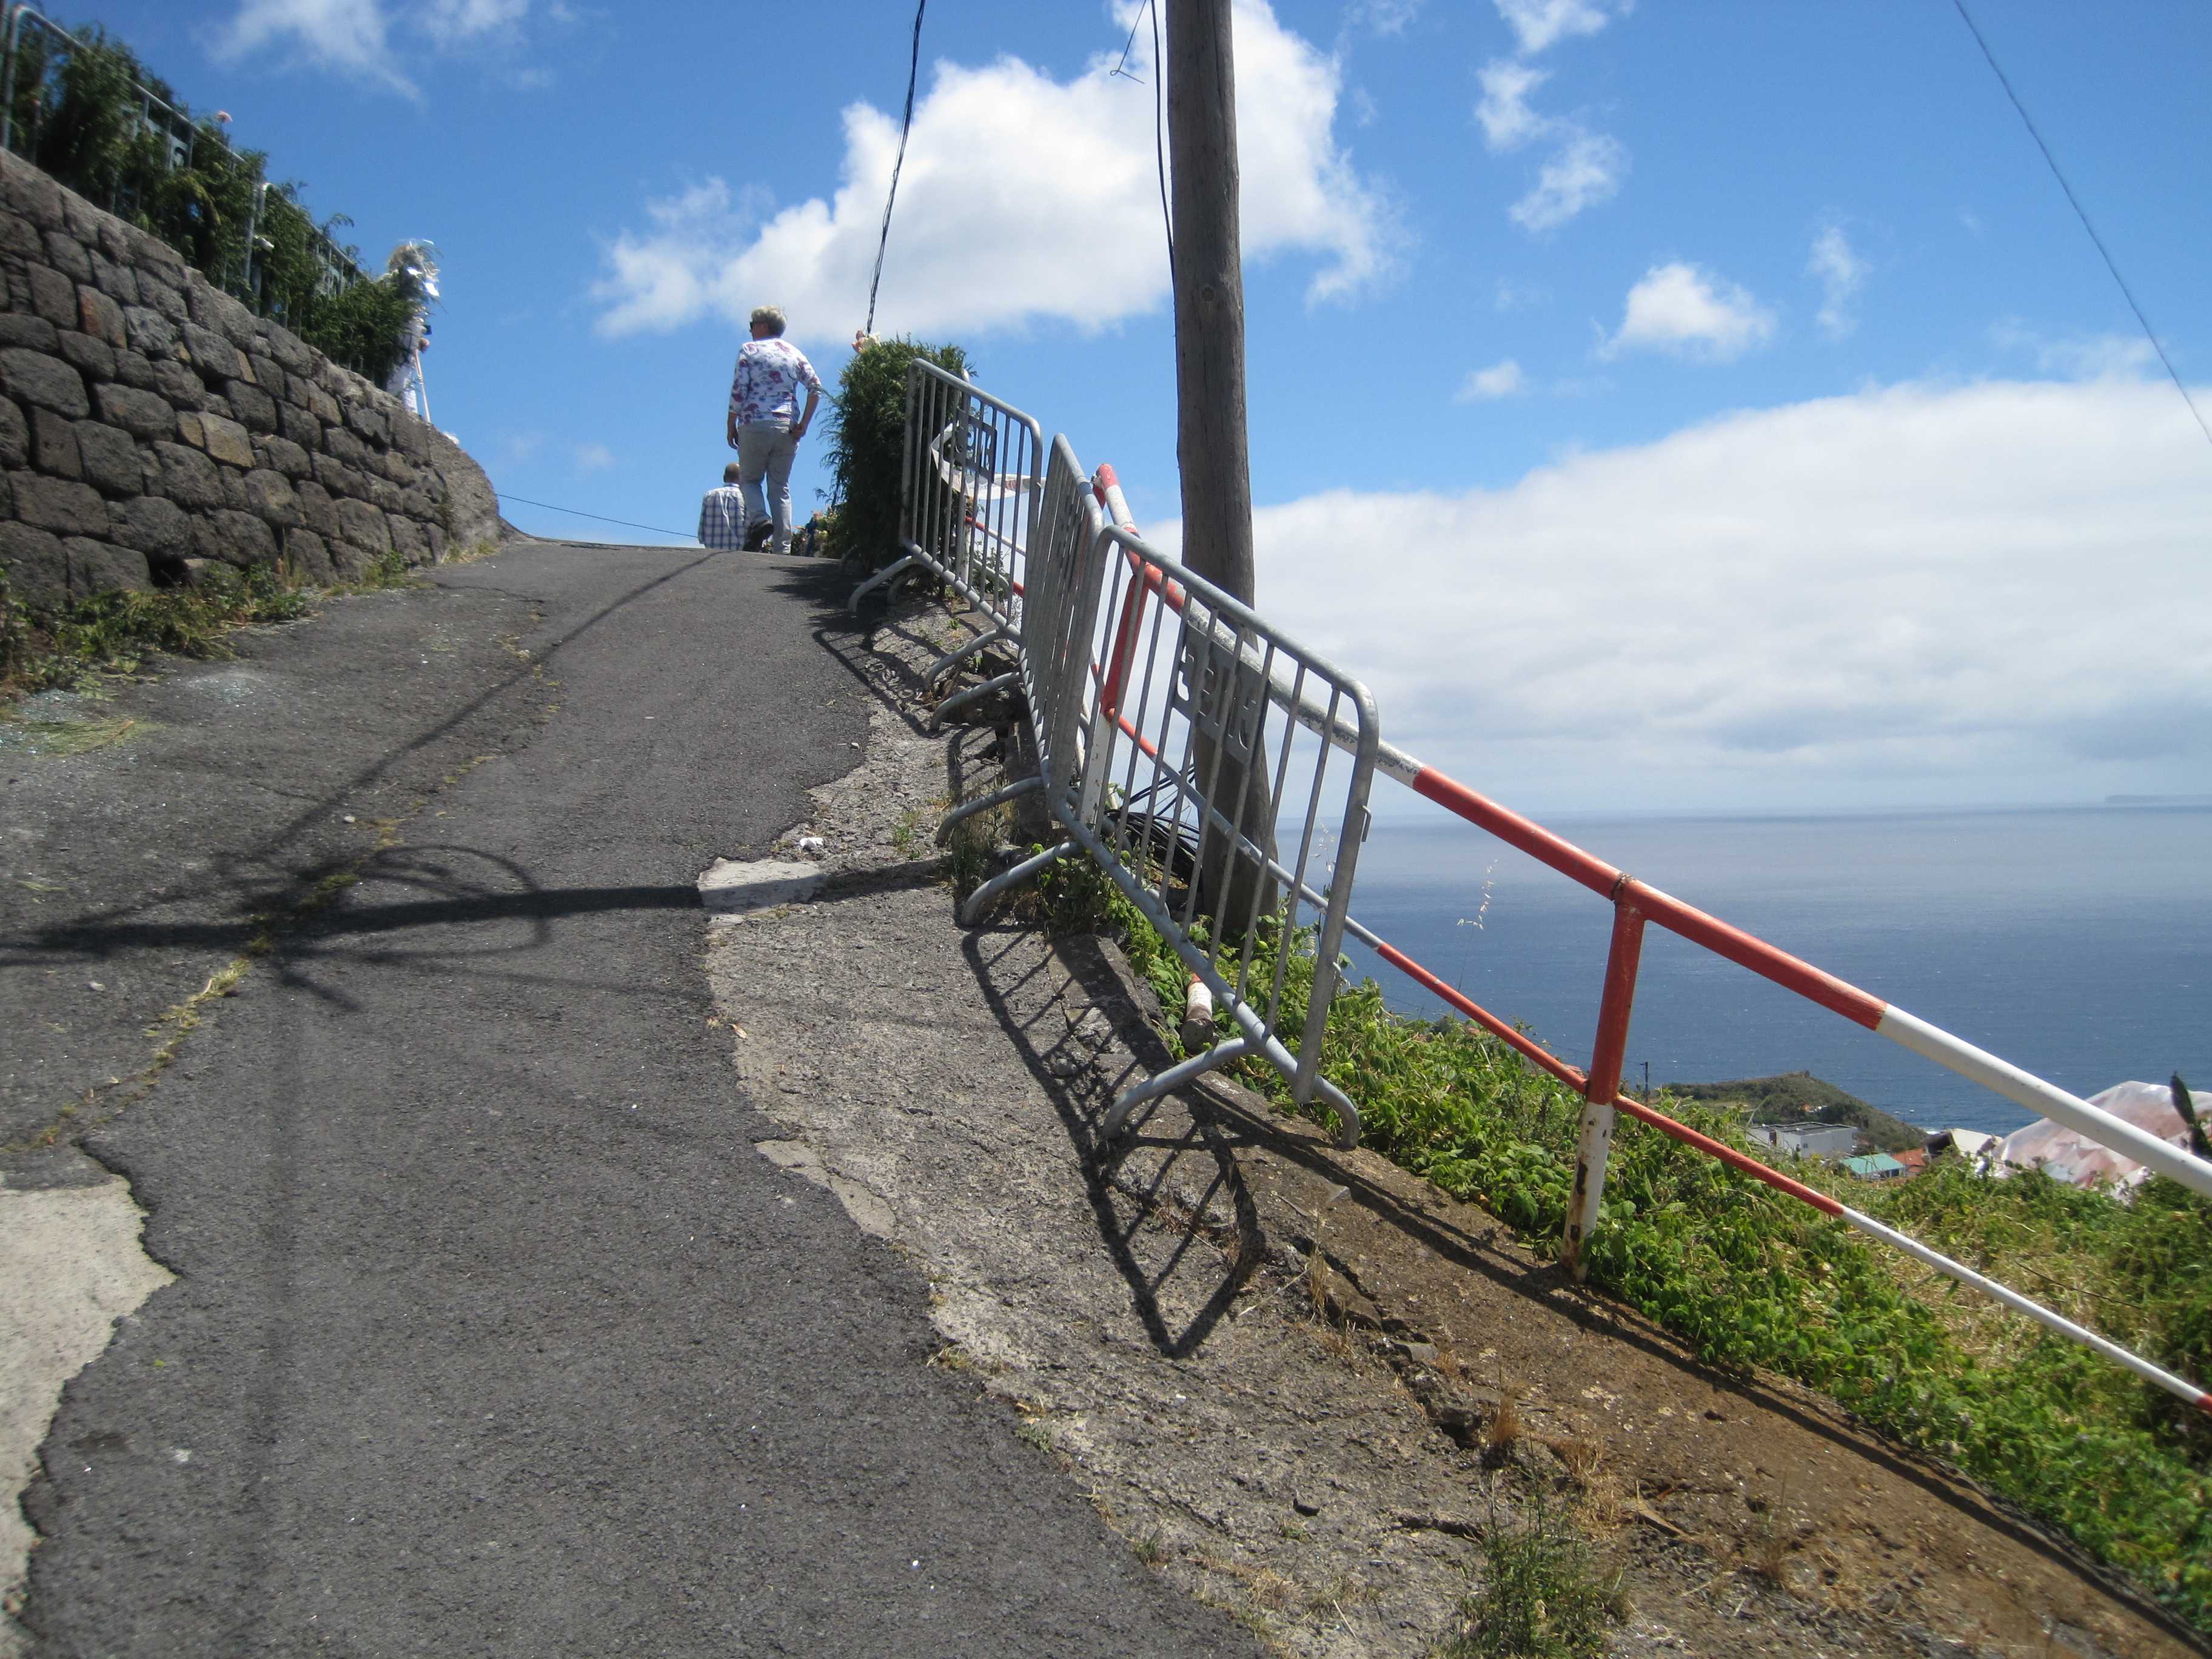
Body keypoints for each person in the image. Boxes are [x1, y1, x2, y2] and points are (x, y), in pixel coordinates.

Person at [726, 305, 823, 557]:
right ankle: (783, 548)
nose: (750, 329)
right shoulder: (794, 353)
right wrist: (804, 423)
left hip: (754, 423)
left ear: (763, 326)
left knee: (749, 480)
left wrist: (730, 424)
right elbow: (816, 388)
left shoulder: (749, 350)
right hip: (787, 427)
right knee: (780, 487)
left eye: (752, 324)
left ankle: (759, 520)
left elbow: (739, 390)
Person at [697, 461, 748, 551]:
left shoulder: (710, 495)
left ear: (724, 478)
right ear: (742, 478)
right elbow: (749, 524)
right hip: (740, 552)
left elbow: (702, 530)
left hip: (712, 552)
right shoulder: (746, 497)